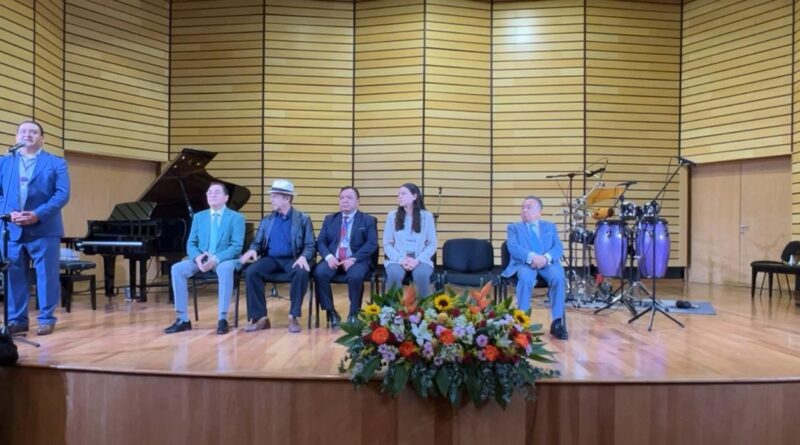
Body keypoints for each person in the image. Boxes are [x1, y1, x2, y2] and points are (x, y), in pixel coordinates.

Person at [0, 121, 70, 336]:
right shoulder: (4, 162)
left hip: (44, 228)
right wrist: (9, 213)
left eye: (33, 131)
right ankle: (17, 320)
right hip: (12, 228)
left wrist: (37, 214)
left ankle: (47, 319)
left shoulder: (56, 163)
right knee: (13, 276)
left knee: (46, 276)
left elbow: (62, 194)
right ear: (16, 137)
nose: (27, 134)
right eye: (23, 131)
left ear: (42, 138)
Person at [164, 182, 245, 335]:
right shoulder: (199, 217)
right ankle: (182, 319)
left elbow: (236, 247)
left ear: (226, 197)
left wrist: (216, 259)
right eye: (209, 192)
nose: (212, 195)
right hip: (202, 259)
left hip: (224, 259)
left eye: (217, 192)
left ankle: (222, 318)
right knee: (177, 268)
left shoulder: (236, 218)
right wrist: (197, 258)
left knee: (225, 268)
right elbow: (191, 243)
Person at [240, 179, 314, 333]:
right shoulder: (267, 220)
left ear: (287, 198)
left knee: (301, 272)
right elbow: (257, 243)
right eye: (271, 196)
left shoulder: (303, 219)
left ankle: (293, 316)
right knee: (252, 272)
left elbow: (310, 245)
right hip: (271, 259)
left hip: (294, 258)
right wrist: (253, 250)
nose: (271, 199)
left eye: (275, 196)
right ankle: (260, 318)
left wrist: (303, 257)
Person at [501, 196, 568, 340]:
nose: (524, 210)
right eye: (523, 207)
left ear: (539, 212)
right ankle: (522, 321)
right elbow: (513, 247)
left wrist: (545, 258)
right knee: (526, 279)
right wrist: (532, 257)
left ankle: (557, 322)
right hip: (525, 263)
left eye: (529, 207)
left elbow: (558, 248)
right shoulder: (514, 228)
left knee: (558, 278)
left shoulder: (550, 226)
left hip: (547, 263)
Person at [313, 186, 378, 327]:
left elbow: (372, 243)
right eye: (342, 198)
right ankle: (331, 312)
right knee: (319, 273)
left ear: (358, 201)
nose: (345, 200)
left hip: (356, 259)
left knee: (356, 276)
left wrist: (353, 259)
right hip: (334, 258)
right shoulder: (330, 219)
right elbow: (321, 241)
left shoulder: (368, 220)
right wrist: (329, 257)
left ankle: (353, 314)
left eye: (349, 197)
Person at [383, 183, 437, 298]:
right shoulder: (392, 216)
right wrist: (400, 259)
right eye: (399, 194)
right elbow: (387, 244)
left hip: (420, 259)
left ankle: (422, 307)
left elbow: (432, 244)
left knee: (421, 274)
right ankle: (393, 307)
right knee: (394, 273)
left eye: (403, 193)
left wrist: (418, 260)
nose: (399, 196)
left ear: (414, 196)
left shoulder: (427, 216)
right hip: (398, 258)